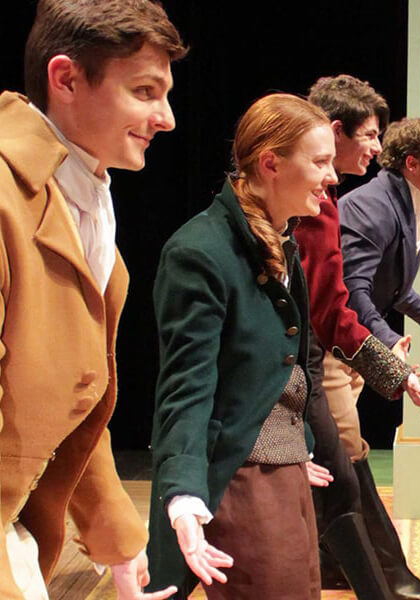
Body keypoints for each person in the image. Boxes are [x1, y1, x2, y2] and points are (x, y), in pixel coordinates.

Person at [0, 1, 184, 597]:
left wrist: (118, 540)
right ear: (66, 79)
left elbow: (69, 399)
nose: (167, 117)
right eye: (145, 91)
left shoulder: (84, 188)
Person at [147, 93, 338, 599]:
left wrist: (298, 444)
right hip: (241, 477)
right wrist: (184, 495)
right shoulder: (200, 252)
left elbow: (287, 361)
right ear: (270, 163)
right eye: (320, 162)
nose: (332, 177)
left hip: (285, 468)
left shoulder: (279, 239)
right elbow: (186, 390)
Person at [298, 74, 420, 600]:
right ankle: (389, 576)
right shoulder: (350, 203)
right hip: (307, 360)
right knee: (342, 459)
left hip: (331, 351)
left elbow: (349, 296)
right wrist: (387, 352)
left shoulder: (334, 198)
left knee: (337, 462)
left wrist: (397, 351)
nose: (377, 147)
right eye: (369, 135)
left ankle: (348, 566)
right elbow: (346, 296)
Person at [338, 117, 420, 359]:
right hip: (332, 349)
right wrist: (389, 340)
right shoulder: (372, 208)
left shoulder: (401, 203)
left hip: (352, 345)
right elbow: (352, 289)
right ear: (412, 164)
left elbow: (388, 278)